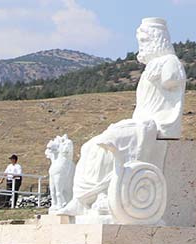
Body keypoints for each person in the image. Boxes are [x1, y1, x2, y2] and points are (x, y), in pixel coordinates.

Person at [55, 17, 186, 217]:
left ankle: (106, 195)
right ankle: (82, 199)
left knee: (109, 142)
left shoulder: (169, 61)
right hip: (139, 121)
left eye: (144, 41)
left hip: (157, 124)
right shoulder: (153, 66)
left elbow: (171, 81)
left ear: (157, 40)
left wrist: (161, 72)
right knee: (90, 146)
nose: (140, 47)